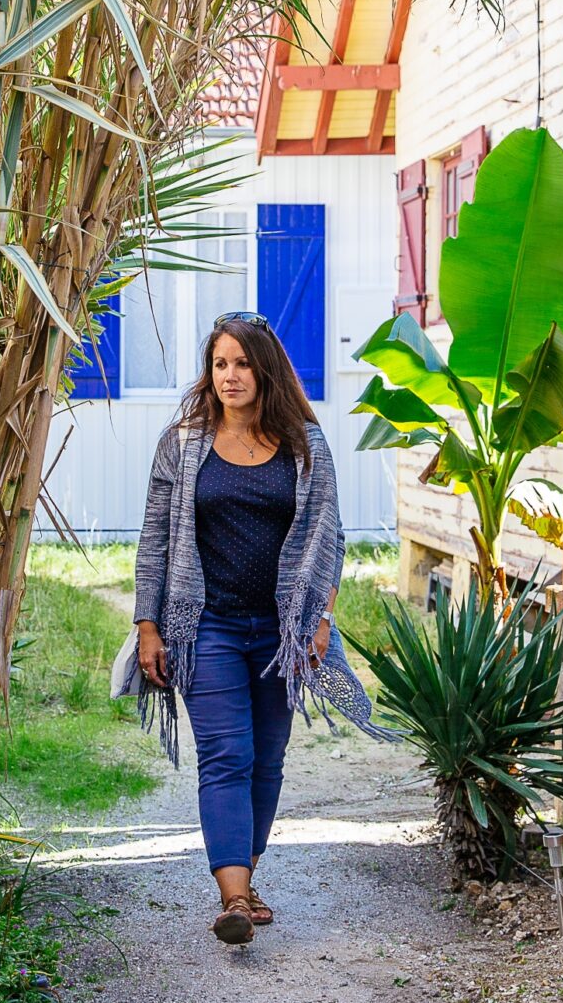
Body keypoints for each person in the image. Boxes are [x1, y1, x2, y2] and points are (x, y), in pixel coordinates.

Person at [113, 311, 379, 945]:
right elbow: (155, 539)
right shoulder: (181, 443)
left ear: (265, 371)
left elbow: (329, 537)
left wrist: (319, 618)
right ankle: (233, 899)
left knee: (267, 760)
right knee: (226, 755)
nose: (229, 376)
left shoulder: (305, 447)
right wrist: (149, 625)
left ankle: (246, 879)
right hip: (205, 627)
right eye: (219, 364)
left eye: (241, 363)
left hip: (282, 632)